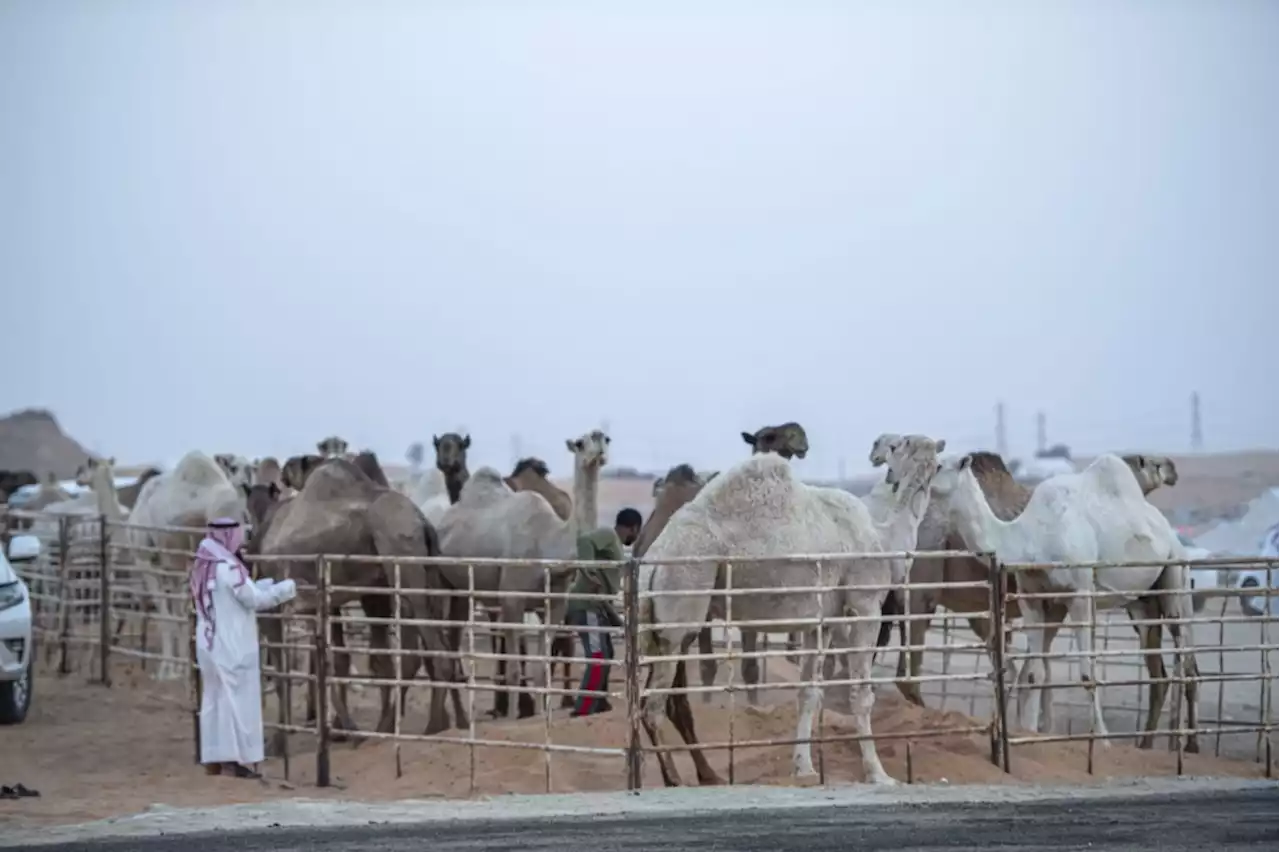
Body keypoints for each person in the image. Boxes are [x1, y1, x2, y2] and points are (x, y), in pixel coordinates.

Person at [191, 517, 297, 779]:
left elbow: (239, 594)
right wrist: (289, 587)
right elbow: (254, 600)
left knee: (214, 699)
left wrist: (267, 584)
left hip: (208, 642)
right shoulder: (229, 566)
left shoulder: (204, 563)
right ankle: (233, 760)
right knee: (234, 702)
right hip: (232, 644)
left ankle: (213, 756)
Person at [566, 508, 643, 717]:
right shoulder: (609, 536)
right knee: (598, 656)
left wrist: (618, 621)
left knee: (607, 653)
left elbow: (604, 590)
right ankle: (584, 708)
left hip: (597, 606)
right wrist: (588, 572)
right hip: (588, 606)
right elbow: (584, 541)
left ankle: (599, 701)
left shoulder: (613, 544)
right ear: (633, 528)